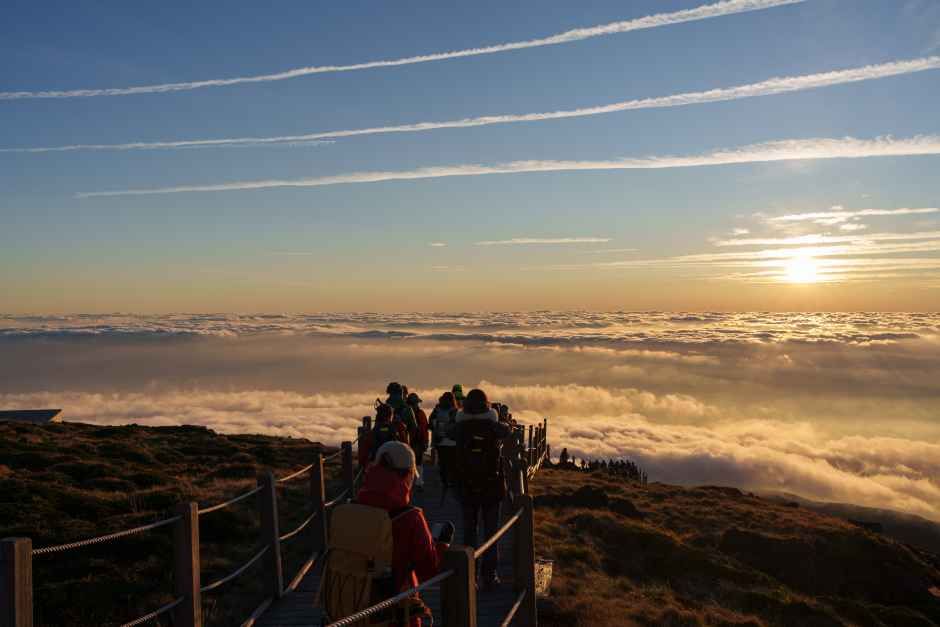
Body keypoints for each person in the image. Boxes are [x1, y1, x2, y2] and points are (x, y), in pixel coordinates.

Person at [323, 441, 453, 626]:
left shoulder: (350, 509)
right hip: (393, 615)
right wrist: (442, 544)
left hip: (348, 609)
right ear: (408, 475)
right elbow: (429, 569)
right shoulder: (410, 518)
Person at [450, 388, 510, 589]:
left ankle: (471, 576)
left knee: (469, 533)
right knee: (491, 532)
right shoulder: (494, 426)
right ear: (487, 404)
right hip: (492, 488)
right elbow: (507, 431)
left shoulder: (459, 426)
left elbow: (446, 432)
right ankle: (490, 575)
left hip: (466, 488)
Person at [359, 403, 408, 468]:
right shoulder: (397, 430)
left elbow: (362, 457)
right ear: (391, 415)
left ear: (378, 416)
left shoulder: (372, 433)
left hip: (376, 470)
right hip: (395, 471)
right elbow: (407, 449)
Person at [429, 391, 458, 489]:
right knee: (450, 462)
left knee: (443, 462)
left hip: (440, 440)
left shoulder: (437, 410)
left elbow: (430, 423)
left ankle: (444, 480)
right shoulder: (455, 411)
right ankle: (449, 481)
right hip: (452, 441)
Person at [406, 392, 430, 487]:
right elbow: (425, 429)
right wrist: (426, 441)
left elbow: (424, 429)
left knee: (414, 462)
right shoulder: (421, 413)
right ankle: (418, 482)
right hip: (416, 442)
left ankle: (415, 482)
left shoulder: (407, 413)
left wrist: (425, 441)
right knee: (417, 462)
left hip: (414, 442)